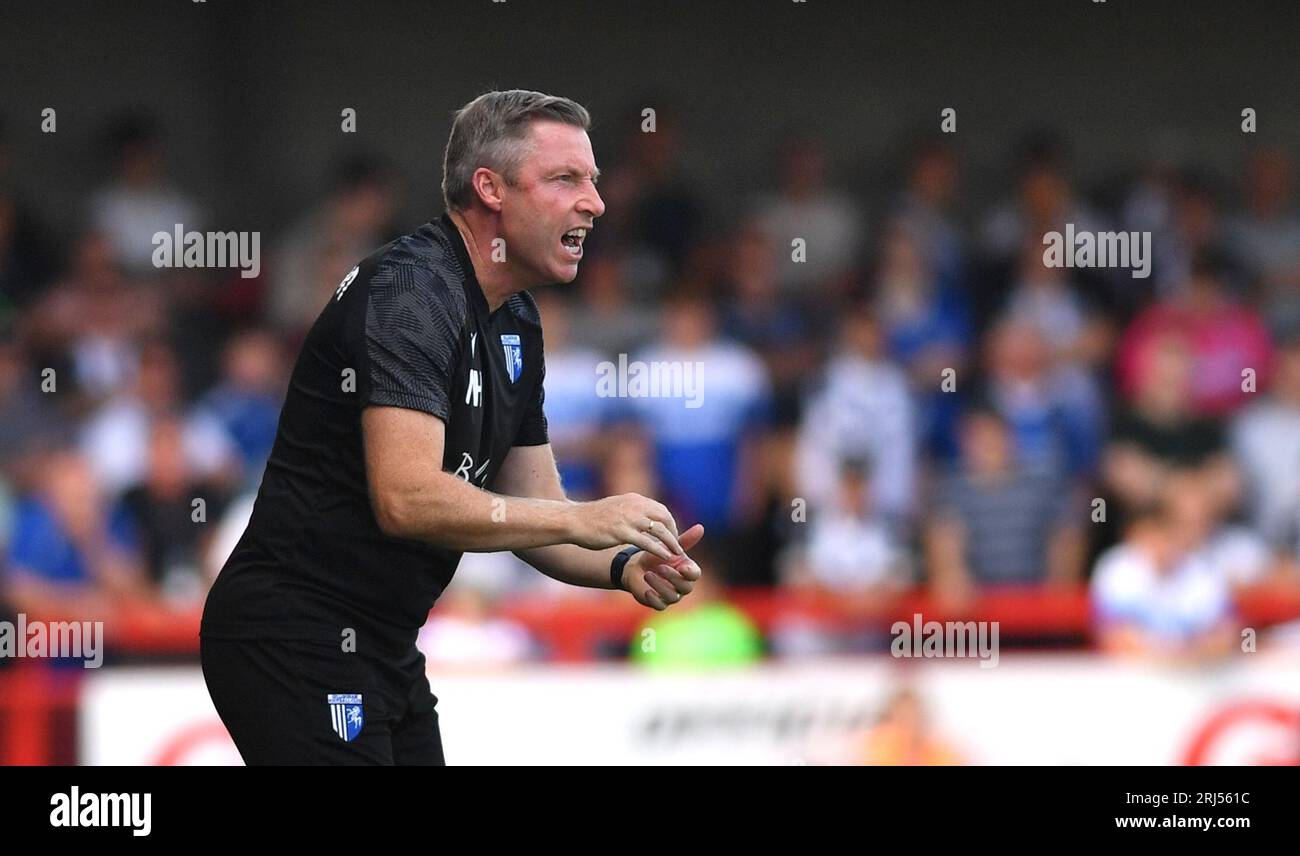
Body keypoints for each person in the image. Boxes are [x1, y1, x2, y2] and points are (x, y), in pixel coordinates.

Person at [200, 90, 704, 765]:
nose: (595, 202)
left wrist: (622, 565)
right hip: (295, 633)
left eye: (593, 181)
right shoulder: (411, 291)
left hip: (385, 645)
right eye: (566, 179)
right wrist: (585, 522)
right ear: (490, 188)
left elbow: (539, 513)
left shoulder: (517, 320)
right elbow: (406, 499)